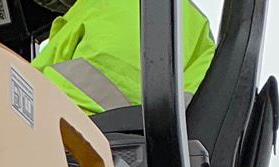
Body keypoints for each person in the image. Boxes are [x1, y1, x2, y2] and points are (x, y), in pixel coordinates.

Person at [32, 0, 218, 115]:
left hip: (76, 149)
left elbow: (28, 89)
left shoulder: (116, 8)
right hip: (126, 156)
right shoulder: (196, 27)